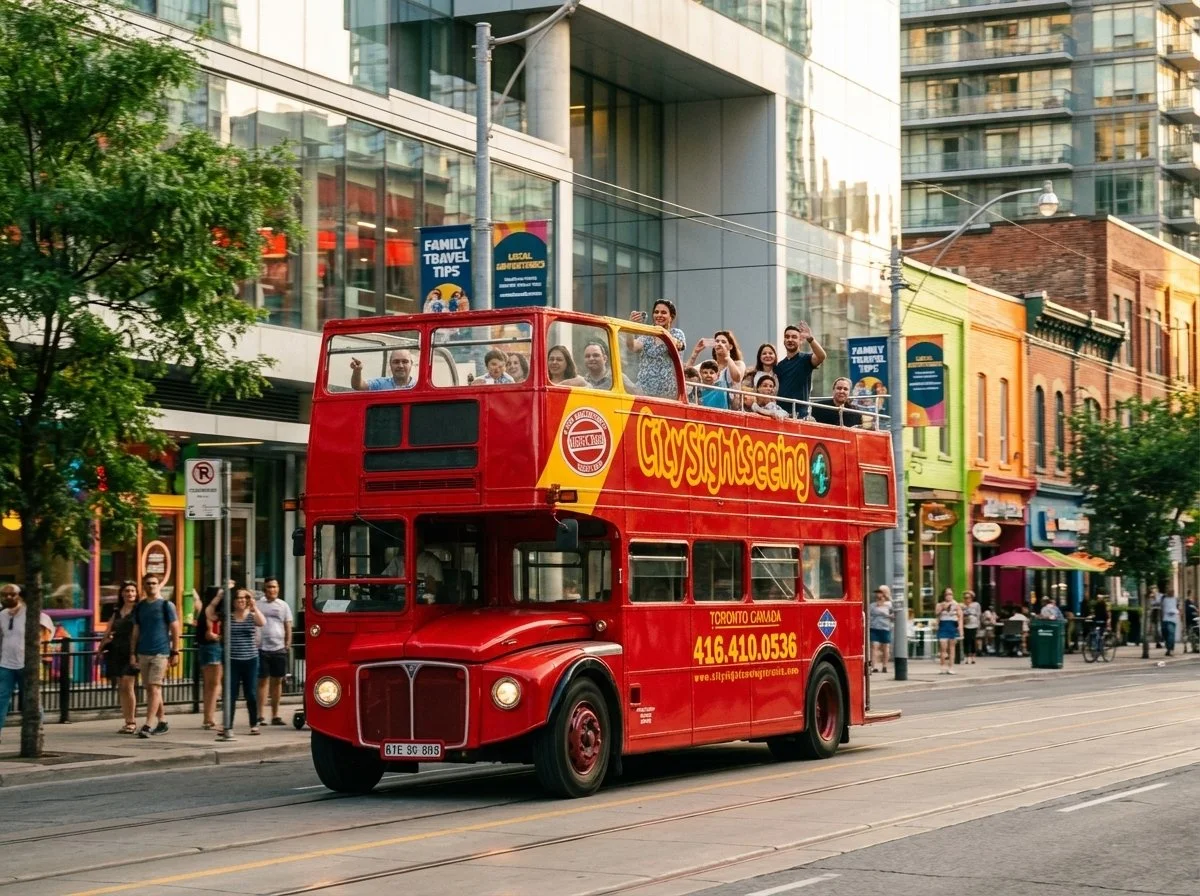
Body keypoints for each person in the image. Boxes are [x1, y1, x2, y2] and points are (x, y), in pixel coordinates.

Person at [0, 584, 54, 744]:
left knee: (31, 699)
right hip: (5, 664)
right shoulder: (2, 615)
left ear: (20, 596)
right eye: (4, 595)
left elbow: (47, 633)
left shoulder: (33, 614)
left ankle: (36, 732)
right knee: (1, 698)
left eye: (12, 594)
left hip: (27, 664)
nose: (8, 597)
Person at [129, 573, 180, 739]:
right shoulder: (140, 606)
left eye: (153, 583)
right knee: (150, 689)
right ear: (143, 586)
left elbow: (175, 628)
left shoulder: (166, 605)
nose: (150, 586)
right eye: (147, 583)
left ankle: (148, 724)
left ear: (159, 585)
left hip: (161, 652)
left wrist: (175, 651)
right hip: (143, 651)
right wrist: (133, 653)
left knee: (154, 687)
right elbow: (136, 630)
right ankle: (162, 720)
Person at [211, 588, 265, 736]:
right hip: (233, 660)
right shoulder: (228, 617)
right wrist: (218, 597)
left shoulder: (251, 615)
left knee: (251, 693)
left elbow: (262, 622)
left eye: (244, 598)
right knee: (231, 694)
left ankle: (254, 723)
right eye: (238, 598)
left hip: (250, 659)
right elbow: (210, 614)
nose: (241, 600)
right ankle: (228, 725)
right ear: (233, 602)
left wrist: (254, 607)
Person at [99, 581, 140, 734]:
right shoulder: (117, 611)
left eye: (132, 591)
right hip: (117, 649)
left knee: (128, 685)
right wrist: (100, 648)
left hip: (131, 651)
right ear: (122, 593)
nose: (130, 594)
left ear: (136, 594)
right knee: (121, 686)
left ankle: (132, 722)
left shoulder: (138, 610)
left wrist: (135, 654)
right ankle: (127, 720)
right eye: (127, 591)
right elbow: (108, 630)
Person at [627, 300, 686, 398]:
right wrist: (630, 326)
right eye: (656, 312)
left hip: (667, 394)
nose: (659, 315)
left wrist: (661, 332)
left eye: (663, 312)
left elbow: (679, 345)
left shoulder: (676, 333)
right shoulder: (647, 334)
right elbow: (632, 346)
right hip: (643, 392)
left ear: (671, 317)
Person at [255, 577, 293, 726]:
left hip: (278, 648)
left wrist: (287, 643)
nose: (273, 590)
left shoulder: (283, 605)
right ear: (265, 589)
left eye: (275, 587)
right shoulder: (259, 605)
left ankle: (275, 715)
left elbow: (287, 625)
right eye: (270, 587)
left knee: (277, 681)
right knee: (262, 681)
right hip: (262, 648)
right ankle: (260, 715)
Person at [774, 322, 826, 418]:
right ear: (784, 340)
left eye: (794, 337)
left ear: (800, 340)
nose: (790, 339)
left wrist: (810, 339)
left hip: (799, 416)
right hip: (780, 415)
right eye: (787, 337)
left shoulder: (805, 359)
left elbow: (821, 356)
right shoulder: (780, 365)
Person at [686, 330, 745, 408]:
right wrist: (695, 353)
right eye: (717, 341)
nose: (719, 344)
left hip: (730, 410)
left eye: (723, 342)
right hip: (706, 406)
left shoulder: (738, 363)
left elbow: (737, 377)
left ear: (730, 346)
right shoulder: (708, 363)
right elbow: (687, 374)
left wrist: (727, 357)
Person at [195, 586, 223, 731]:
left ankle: (208, 717)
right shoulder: (212, 613)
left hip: (205, 648)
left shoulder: (204, 610)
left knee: (209, 685)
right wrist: (221, 637)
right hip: (213, 648)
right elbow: (210, 634)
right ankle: (209, 719)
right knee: (214, 685)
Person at [350, 349, 415, 391]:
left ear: (411, 363)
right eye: (396, 362)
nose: (400, 366)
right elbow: (359, 386)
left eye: (405, 361)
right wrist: (357, 371)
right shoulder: (380, 384)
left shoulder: (419, 386)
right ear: (390, 364)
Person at [935, 587, 962, 674]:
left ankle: (951, 667)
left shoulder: (956, 604)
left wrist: (960, 629)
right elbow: (936, 613)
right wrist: (943, 607)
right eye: (947, 594)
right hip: (943, 625)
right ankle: (942, 666)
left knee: (952, 648)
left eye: (950, 594)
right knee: (943, 647)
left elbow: (960, 616)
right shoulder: (940, 604)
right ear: (944, 595)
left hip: (952, 625)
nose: (949, 596)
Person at [869, 585, 893, 673]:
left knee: (886, 647)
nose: (879, 595)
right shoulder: (872, 605)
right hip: (874, 627)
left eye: (881, 593)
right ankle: (873, 666)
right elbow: (869, 615)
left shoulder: (889, 605)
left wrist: (888, 598)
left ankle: (885, 666)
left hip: (885, 628)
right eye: (878, 593)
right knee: (874, 646)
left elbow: (894, 613)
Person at [961, 590, 981, 664]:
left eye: (968, 598)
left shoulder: (976, 605)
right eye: (965, 598)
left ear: (972, 598)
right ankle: (967, 657)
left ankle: (973, 656)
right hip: (966, 625)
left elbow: (979, 615)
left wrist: (979, 625)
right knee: (966, 641)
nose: (967, 599)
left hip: (974, 624)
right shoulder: (962, 605)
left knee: (973, 640)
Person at [1160, 587, 1180, 656]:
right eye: (1170, 592)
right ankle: (1168, 648)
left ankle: (1170, 649)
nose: (1171, 593)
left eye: (1172, 592)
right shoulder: (1164, 599)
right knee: (1165, 634)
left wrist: (1178, 612)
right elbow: (1162, 608)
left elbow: (1178, 607)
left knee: (1171, 634)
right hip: (1165, 618)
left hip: (1172, 619)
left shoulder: (1175, 599)